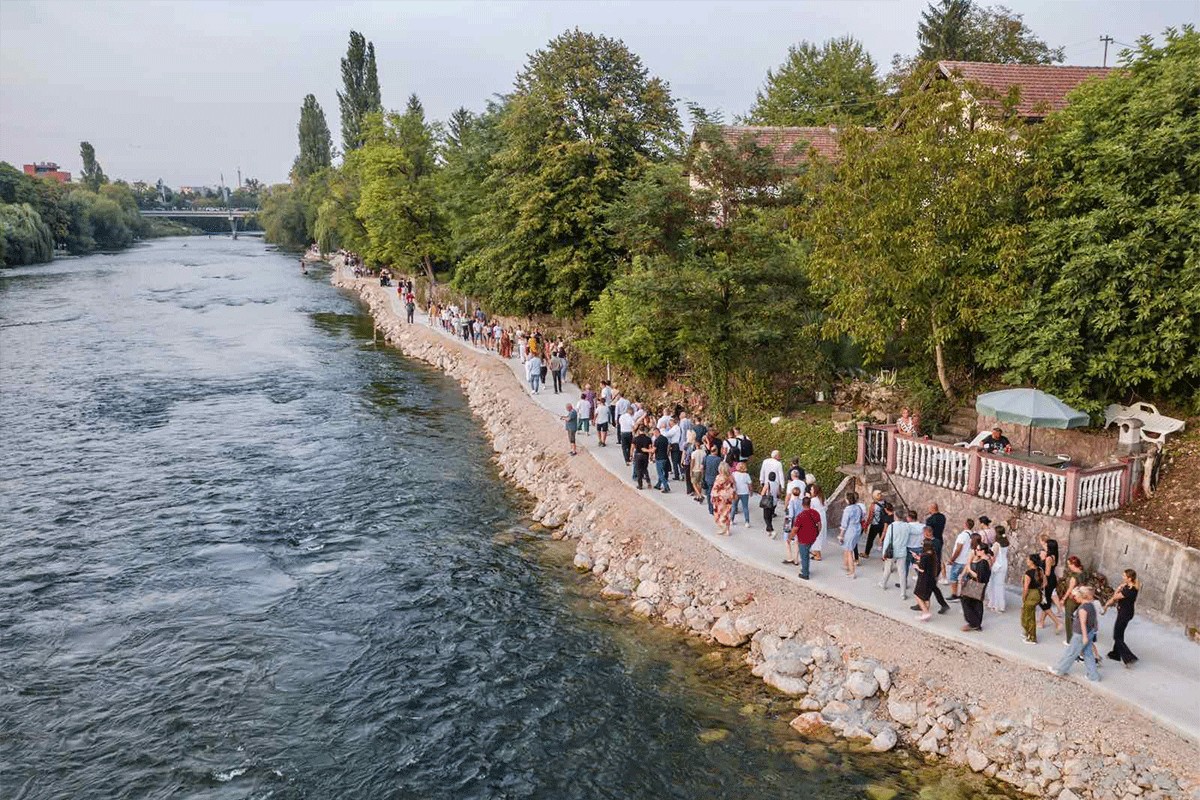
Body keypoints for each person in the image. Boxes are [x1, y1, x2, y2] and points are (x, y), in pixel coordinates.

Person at [1049, 587, 1100, 681]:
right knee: (1088, 654)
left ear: (1081, 596)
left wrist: (1084, 636)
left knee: (1071, 652)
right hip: (1090, 632)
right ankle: (1093, 676)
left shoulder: (1082, 609)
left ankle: (1059, 670)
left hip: (1080, 635)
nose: (1074, 598)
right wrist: (1092, 632)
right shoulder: (1091, 605)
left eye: (1076, 596)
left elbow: (1083, 623)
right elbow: (1093, 620)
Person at [1104, 569, 1140, 667]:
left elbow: (1115, 597)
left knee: (1117, 636)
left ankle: (1129, 657)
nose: (1122, 577)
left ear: (1129, 578)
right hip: (1124, 613)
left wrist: (1119, 588)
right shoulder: (1128, 586)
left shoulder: (1130, 590)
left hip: (1125, 614)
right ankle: (1115, 654)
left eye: (1124, 576)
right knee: (1119, 633)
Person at [960, 542, 992, 632]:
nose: (976, 551)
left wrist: (969, 569)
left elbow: (978, 576)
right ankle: (977, 624)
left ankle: (973, 623)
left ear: (983, 551)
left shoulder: (983, 562)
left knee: (966, 600)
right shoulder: (987, 559)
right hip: (981, 585)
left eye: (978, 550)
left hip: (975, 584)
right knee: (977, 603)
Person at [1037, 534, 1062, 634]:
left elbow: (1047, 572)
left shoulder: (1048, 558)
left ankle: (1057, 622)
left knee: (1043, 602)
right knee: (1046, 601)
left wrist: (1041, 561)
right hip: (1052, 579)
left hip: (1048, 580)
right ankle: (1041, 622)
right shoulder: (1054, 556)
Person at [791, 497, 822, 579]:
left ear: (802, 505)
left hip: (803, 539)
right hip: (812, 537)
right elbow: (819, 525)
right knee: (806, 553)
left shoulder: (800, 516)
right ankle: (805, 569)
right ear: (810, 503)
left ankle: (805, 574)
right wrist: (817, 534)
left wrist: (790, 537)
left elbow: (795, 529)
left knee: (804, 556)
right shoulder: (815, 513)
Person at [1060, 555, 1086, 644]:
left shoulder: (1074, 577)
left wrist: (1063, 599)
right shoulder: (1083, 573)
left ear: (1073, 565)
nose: (1068, 566)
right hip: (1080, 597)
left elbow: (1069, 589)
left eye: (1069, 564)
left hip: (1072, 599)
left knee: (1068, 618)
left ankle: (1070, 639)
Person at [838, 491, 864, 579]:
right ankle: (846, 565)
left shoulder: (848, 510)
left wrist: (841, 535)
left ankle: (852, 571)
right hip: (857, 528)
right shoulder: (858, 507)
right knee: (849, 547)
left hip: (851, 529)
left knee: (849, 550)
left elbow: (844, 524)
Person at [1020, 554, 1044, 643]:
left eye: (1028, 559)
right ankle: (1028, 633)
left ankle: (1032, 637)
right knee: (1030, 613)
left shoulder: (1028, 573)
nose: (1027, 561)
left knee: (1028, 616)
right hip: (1037, 593)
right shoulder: (1040, 570)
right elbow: (1045, 583)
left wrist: (1023, 597)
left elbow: (1025, 588)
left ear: (1031, 561)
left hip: (1031, 594)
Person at [986, 526, 1010, 612]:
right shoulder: (1006, 542)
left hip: (997, 565)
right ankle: (1000, 605)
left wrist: (989, 565)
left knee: (994, 585)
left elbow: (993, 557)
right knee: (1000, 585)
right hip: (1004, 564)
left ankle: (994, 604)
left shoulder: (997, 544)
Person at [913, 540, 939, 622]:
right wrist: (918, 557)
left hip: (924, 579)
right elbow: (927, 563)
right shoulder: (932, 554)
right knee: (926, 597)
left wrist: (916, 567)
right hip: (931, 579)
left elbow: (922, 569)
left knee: (917, 595)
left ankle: (925, 612)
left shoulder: (924, 556)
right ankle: (925, 615)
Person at [877, 510, 902, 591]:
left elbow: (887, 541)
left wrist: (884, 553)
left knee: (888, 568)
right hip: (902, 550)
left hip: (892, 550)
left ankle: (883, 583)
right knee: (902, 570)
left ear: (895, 516)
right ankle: (903, 587)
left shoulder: (891, 526)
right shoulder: (906, 526)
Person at [711, 462, 736, 536]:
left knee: (719, 513)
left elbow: (715, 488)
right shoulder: (731, 477)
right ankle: (727, 530)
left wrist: (713, 496)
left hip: (719, 498)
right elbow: (734, 486)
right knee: (726, 513)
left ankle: (722, 528)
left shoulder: (719, 477)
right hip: (728, 497)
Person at [864, 491, 887, 559]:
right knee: (884, 540)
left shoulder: (873, 505)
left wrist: (866, 525)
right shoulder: (885, 503)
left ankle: (866, 553)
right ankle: (885, 555)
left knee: (870, 539)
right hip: (883, 524)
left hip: (875, 524)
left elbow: (870, 516)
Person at [703, 446, 723, 515]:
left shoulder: (706, 458)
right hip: (716, 479)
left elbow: (703, 468)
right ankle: (716, 508)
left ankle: (710, 509)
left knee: (709, 494)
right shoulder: (719, 459)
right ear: (716, 451)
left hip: (707, 478)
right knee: (717, 494)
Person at [809, 484, 827, 562]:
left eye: (812, 490)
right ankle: (815, 552)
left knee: (816, 535)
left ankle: (818, 554)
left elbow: (810, 509)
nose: (810, 491)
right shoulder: (822, 498)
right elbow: (826, 507)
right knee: (820, 534)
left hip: (816, 518)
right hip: (823, 517)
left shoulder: (813, 500)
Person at [760, 469, 781, 536]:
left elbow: (762, 493)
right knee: (770, 516)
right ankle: (768, 530)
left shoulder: (767, 484)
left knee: (766, 517)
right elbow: (778, 493)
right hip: (774, 502)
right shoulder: (777, 484)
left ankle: (772, 530)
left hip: (768, 502)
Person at [732, 462, 753, 527]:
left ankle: (731, 520)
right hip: (744, 492)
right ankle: (747, 522)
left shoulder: (734, 474)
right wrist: (751, 491)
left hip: (736, 492)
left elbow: (732, 482)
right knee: (745, 507)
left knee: (734, 506)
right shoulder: (746, 475)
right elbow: (749, 484)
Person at [653, 427, 672, 493]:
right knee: (662, 472)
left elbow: (653, 450)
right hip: (665, 457)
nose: (654, 435)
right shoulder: (665, 439)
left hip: (659, 458)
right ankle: (658, 485)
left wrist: (646, 450)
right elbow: (668, 446)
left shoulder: (657, 440)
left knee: (660, 473)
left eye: (654, 433)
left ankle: (666, 487)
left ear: (656, 432)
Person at [689, 433, 706, 502]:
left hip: (695, 469)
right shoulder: (704, 453)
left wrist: (690, 471)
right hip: (701, 469)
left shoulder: (694, 453)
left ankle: (699, 495)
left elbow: (692, 462)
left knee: (694, 483)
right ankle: (698, 496)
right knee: (699, 483)